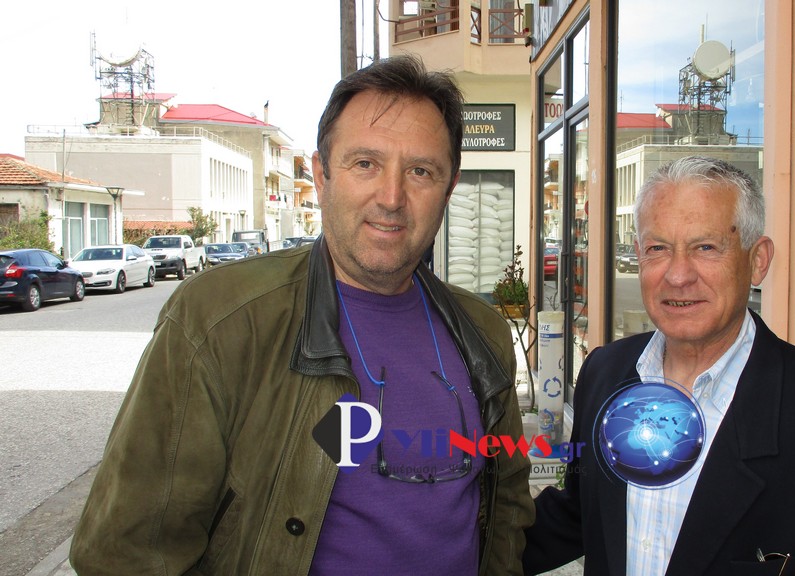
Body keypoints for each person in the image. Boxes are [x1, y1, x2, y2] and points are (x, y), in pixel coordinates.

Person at [71, 55, 533, 575]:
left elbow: (508, 506)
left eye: (421, 171)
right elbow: (129, 553)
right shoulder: (220, 321)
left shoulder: (482, 332)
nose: (391, 198)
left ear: (448, 189)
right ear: (321, 174)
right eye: (365, 163)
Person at [523, 156, 795, 575]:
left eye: (706, 248)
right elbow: (579, 515)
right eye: (658, 249)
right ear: (638, 255)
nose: (678, 276)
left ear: (758, 260)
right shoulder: (605, 375)